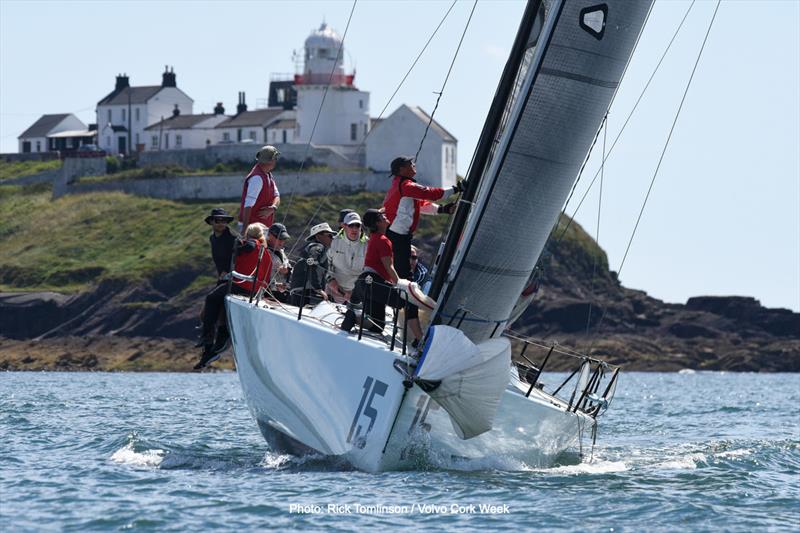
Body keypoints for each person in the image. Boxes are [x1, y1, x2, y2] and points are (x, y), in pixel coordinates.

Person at [383, 156, 463, 342]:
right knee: (407, 283)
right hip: (398, 238)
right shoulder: (406, 185)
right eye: (411, 164)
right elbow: (431, 193)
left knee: (405, 283)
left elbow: (422, 204)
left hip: (399, 237)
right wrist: (456, 189)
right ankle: (419, 327)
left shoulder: (402, 186)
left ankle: (415, 326)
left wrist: (443, 210)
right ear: (402, 169)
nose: (414, 166)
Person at [195, 223, 272, 370]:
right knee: (221, 301)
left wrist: (237, 248)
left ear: (249, 234)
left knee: (211, 298)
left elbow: (249, 246)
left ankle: (207, 337)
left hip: (242, 285)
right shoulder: (265, 250)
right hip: (255, 290)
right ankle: (216, 344)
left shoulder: (252, 243)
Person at [340, 209, 404, 335]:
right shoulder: (383, 240)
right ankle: (417, 339)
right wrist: (401, 285)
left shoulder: (374, 238)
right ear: (377, 223)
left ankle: (353, 317)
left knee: (377, 326)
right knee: (406, 303)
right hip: (374, 284)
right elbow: (388, 266)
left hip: (364, 284)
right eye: (382, 216)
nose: (385, 216)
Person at [288, 222, 336, 307]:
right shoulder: (317, 247)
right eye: (329, 236)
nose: (332, 238)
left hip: (301, 290)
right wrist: (318, 289)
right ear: (318, 236)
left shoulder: (313, 248)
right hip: (306, 291)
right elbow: (312, 265)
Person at [238, 145, 281, 234]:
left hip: (261, 227)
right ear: (271, 161)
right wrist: (245, 230)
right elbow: (248, 204)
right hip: (252, 228)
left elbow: (276, 196)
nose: (276, 161)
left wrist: (273, 208)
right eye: (275, 158)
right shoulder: (257, 178)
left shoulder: (268, 174)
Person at [326, 211, 367, 303]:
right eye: (351, 225)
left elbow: (369, 271)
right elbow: (325, 264)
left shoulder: (368, 245)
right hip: (334, 291)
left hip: (357, 294)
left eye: (357, 225)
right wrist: (330, 280)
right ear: (344, 226)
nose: (354, 229)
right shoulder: (333, 242)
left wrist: (356, 292)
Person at [205, 207, 236, 282]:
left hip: (234, 279)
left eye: (224, 221)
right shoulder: (212, 238)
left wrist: (226, 270)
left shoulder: (233, 238)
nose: (221, 223)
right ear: (211, 221)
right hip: (223, 278)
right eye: (217, 220)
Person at [266, 223, 292, 302]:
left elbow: (290, 268)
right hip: (267, 294)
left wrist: (287, 270)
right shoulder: (263, 250)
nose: (282, 241)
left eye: (284, 239)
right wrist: (275, 285)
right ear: (270, 235)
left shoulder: (281, 251)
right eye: (279, 238)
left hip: (281, 295)